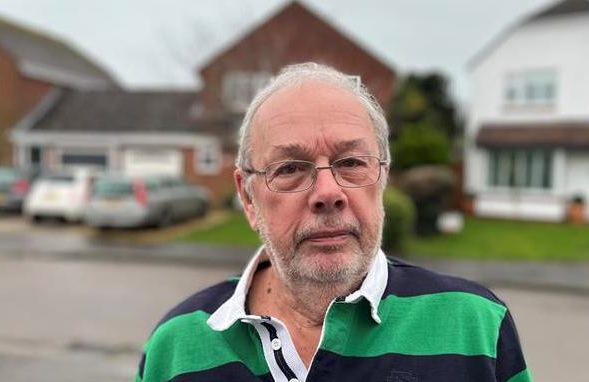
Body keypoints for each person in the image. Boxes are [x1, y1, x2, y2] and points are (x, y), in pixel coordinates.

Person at [135, 63, 533, 382]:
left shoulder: (475, 325)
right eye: (290, 167)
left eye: (351, 163)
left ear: (383, 176)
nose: (328, 192)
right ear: (248, 196)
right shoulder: (177, 345)